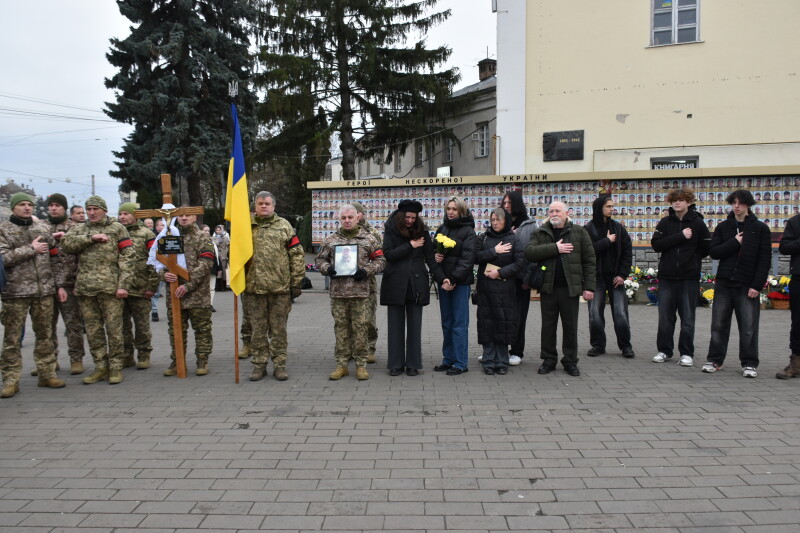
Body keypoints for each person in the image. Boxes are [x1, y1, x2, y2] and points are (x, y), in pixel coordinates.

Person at [0, 193, 68, 398]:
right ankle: (11, 380)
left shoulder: (42, 228)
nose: (27, 208)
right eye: (22, 204)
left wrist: (59, 285)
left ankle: (46, 374)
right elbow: (3, 259)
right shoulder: (3, 229)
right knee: (12, 339)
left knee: (45, 335)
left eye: (30, 204)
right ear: (13, 208)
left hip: (43, 291)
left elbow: (55, 257)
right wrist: (31, 248)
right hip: (15, 292)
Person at [62, 196, 134, 385]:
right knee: (93, 331)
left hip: (110, 289)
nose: (92, 213)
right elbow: (66, 245)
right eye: (89, 209)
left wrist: (123, 285)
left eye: (95, 209)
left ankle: (116, 366)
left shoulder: (117, 228)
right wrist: (91, 238)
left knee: (114, 329)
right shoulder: (80, 229)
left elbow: (128, 257)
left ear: (104, 210)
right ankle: (100, 366)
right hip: (86, 289)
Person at [702, 190, 771, 377]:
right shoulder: (723, 226)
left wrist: (757, 285)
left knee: (748, 326)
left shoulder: (760, 228)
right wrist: (734, 242)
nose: (736, 206)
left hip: (746, 284)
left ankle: (749, 363)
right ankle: (715, 360)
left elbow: (764, 260)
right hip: (724, 283)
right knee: (718, 325)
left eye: (740, 203)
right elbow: (714, 252)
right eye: (733, 202)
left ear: (748, 204)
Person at [526, 201, 595, 376]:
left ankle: (570, 361)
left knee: (570, 326)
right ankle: (548, 360)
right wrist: (555, 248)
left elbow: (589, 261)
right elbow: (529, 252)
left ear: (566, 213)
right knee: (548, 327)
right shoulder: (540, 232)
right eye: (551, 211)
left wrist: (589, 287)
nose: (554, 213)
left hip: (570, 288)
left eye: (558, 210)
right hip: (548, 287)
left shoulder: (579, 232)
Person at [316, 204, 385, 381]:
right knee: (341, 329)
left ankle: (361, 365)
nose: (347, 221)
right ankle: (341, 365)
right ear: (340, 219)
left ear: (357, 218)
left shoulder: (368, 239)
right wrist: (327, 268)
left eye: (350, 217)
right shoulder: (331, 240)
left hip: (360, 292)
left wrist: (367, 270)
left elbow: (381, 259)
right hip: (338, 293)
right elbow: (319, 259)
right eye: (343, 218)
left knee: (360, 328)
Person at [380, 200, 444, 376]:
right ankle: (395, 364)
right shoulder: (391, 229)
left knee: (415, 326)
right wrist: (410, 245)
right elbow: (389, 255)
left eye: (413, 218)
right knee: (395, 326)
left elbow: (430, 258)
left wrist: (442, 278)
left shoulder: (422, 231)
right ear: (401, 216)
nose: (410, 220)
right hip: (395, 282)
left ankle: (413, 364)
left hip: (417, 283)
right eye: (407, 217)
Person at [245, 192, 305, 382]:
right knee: (258, 330)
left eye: (267, 203)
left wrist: (296, 281)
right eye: (260, 203)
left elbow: (296, 254)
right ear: (255, 205)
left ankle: (279, 365)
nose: (264, 206)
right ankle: (259, 365)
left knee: (279, 330)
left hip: (280, 288)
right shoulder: (246, 226)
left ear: (274, 206)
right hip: (254, 289)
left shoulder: (284, 226)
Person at [650, 189, 711, 366]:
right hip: (667, 277)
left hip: (688, 278)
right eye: (674, 200)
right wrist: (680, 236)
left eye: (681, 200)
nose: (677, 203)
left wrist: (691, 260)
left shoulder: (698, 223)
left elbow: (706, 247)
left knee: (688, 317)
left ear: (689, 202)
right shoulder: (664, 223)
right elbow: (657, 245)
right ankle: (664, 350)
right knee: (666, 317)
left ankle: (686, 353)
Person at [160, 211, 216, 377]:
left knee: (202, 329)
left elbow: (205, 264)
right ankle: (177, 359)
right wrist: (163, 275)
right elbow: (161, 262)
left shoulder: (202, 237)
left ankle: (202, 359)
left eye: (187, 215)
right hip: (175, 293)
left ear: (194, 218)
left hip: (197, 293)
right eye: (181, 215)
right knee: (176, 329)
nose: (183, 218)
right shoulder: (170, 237)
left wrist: (188, 285)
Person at [475, 208, 525, 375]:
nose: (495, 223)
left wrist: (500, 272)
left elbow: (519, 263)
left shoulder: (513, 239)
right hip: (486, 290)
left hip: (505, 290)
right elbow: (474, 257)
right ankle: (488, 360)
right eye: (493, 219)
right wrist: (493, 252)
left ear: (506, 221)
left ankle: (502, 361)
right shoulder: (484, 237)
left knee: (503, 324)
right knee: (487, 324)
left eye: (498, 219)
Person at [584, 195, 635, 358]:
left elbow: (628, 253)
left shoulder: (619, 228)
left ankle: (626, 346)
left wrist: (622, 274)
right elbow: (586, 252)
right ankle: (598, 345)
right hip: (595, 278)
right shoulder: (588, 229)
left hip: (615, 279)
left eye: (613, 206)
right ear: (599, 208)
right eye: (609, 206)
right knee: (595, 314)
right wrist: (606, 241)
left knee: (620, 313)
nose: (612, 209)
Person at [432, 196, 476, 376]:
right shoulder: (442, 228)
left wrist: (453, 280)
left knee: (459, 324)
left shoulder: (468, 232)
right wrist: (437, 259)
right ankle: (447, 359)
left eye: (454, 209)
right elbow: (435, 253)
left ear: (461, 211)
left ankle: (460, 362)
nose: (450, 212)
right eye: (448, 208)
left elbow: (468, 260)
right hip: (444, 282)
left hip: (460, 283)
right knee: (447, 323)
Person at [44, 193, 86, 375]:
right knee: (46, 325)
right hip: (46, 284)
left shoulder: (74, 228)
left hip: (69, 283)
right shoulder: (40, 227)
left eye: (57, 205)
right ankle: (50, 360)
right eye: (51, 205)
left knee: (73, 324)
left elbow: (82, 257)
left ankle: (76, 359)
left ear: (64, 208)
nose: (54, 208)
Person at [117, 203, 158, 370]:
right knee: (123, 325)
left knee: (142, 325)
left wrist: (152, 286)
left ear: (135, 215)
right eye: (121, 214)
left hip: (141, 287)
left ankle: (144, 354)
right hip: (120, 288)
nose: (122, 217)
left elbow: (155, 261)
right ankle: (127, 355)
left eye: (126, 213)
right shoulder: (117, 232)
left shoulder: (146, 234)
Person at [501, 190, 538, 366]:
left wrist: (528, 278)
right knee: (500, 315)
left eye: (509, 203)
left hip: (521, 278)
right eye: (504, 203)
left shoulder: (530, 226)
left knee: (518, 316)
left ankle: (516, 351)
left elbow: (535, 256)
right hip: (501, 277)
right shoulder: (500, 222)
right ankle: (499, 350)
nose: (506, 206)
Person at [352, 201, 382, 364]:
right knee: (349, 319)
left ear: (361, 214)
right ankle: (350, 349)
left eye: (355, 212)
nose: (352, 216)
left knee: (368, 317)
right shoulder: (343, 230)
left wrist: (366, 269)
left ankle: (370, 348)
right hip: (346, 284)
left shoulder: (372, 233)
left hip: (366, 282)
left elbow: (379, 256)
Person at [778, 212, 800, 378]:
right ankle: (796, 364)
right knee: (798, 322)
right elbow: (784, 247)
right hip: (799, 278)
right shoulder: (795, 222)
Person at [150, 218, 165, 322]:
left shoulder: (173, 237)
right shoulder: (153, 239)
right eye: (161, 225)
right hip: (158, 269)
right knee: (156, 291)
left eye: (165, 225)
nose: (163, 227)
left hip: (171, 268)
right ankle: (154, 311)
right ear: (157, 227)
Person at [212, 225, 230, 292]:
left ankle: (223, 286)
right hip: (216, 255)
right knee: (218, 270)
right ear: (215, 231)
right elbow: (214, 244)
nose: (218, 231)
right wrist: (218, 240)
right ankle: (217, 286)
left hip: (223, 256)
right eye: (217, 230)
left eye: (219, 230)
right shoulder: (213, 238)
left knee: (223, 270)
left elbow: (227, 245)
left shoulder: (225, 237)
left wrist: (226, 253)